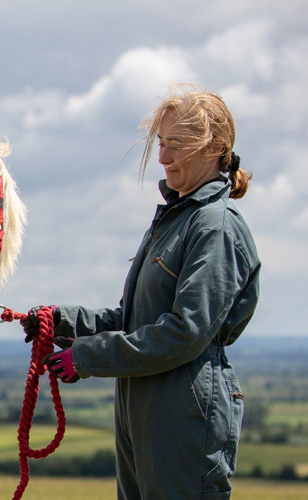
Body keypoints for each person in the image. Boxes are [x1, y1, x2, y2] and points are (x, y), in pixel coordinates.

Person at [20, 88, 260, 499]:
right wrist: (63, 320)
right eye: (162, 144)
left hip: (184, 410)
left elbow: (185, 332)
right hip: (142, 404)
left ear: (215, 148)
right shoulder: (175, 219)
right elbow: (133, 320)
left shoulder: (215, 226)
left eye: (177, 145)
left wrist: (88, 356)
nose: (163, 158)